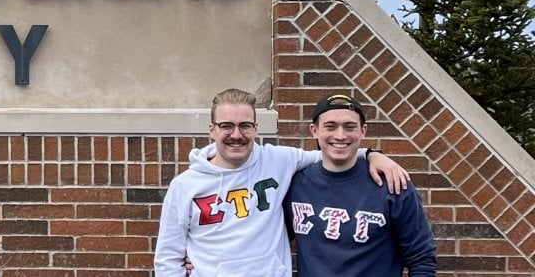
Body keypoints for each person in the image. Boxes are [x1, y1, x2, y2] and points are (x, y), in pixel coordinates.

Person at [153, 88, 409, 277]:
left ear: (256, 127)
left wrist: (372, 154)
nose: (236, 135)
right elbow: (167, 258)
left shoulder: (278, 160)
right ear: (212, 130)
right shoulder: (185, 186)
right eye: (226, 126)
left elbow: (332, 151)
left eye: (245, 126)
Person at [283, 94, 437, 276]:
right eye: (330, 126)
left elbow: (422, 259)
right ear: (314, 130)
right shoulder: (296, 185)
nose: (340, 135)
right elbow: (271, 241)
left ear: (363, 131)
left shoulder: (393, 185)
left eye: (349, 127)